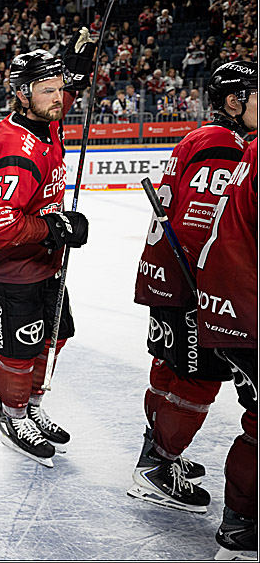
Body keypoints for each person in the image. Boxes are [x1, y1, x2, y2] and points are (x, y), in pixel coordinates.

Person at [128, 61, 256, 514]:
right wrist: (214, 287)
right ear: (232, 102)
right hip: (193, 283)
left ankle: (158, 448)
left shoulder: (202, 138)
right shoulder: (225, 146)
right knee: (196, 379)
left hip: (168, 277)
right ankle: (158, 466)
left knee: (169, 369)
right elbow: (203, 222)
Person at [0, 39, 95, 467]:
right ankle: (13, 415)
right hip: (8, 267)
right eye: (48, 90)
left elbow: (67, 96)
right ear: (22, 95)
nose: (59, 98)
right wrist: (56, 226)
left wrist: (77, 66)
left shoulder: (48, 119)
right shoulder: (14, 150)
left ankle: (33, 404)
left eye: (61, 88)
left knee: (55, 335)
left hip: (43, 258)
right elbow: (1, 226)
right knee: (19, 349)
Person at [194, 72, 256, 557]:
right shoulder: (234, 147)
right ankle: (241, 521)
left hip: (229, 304)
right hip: (244, 310)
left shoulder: (248, 149)